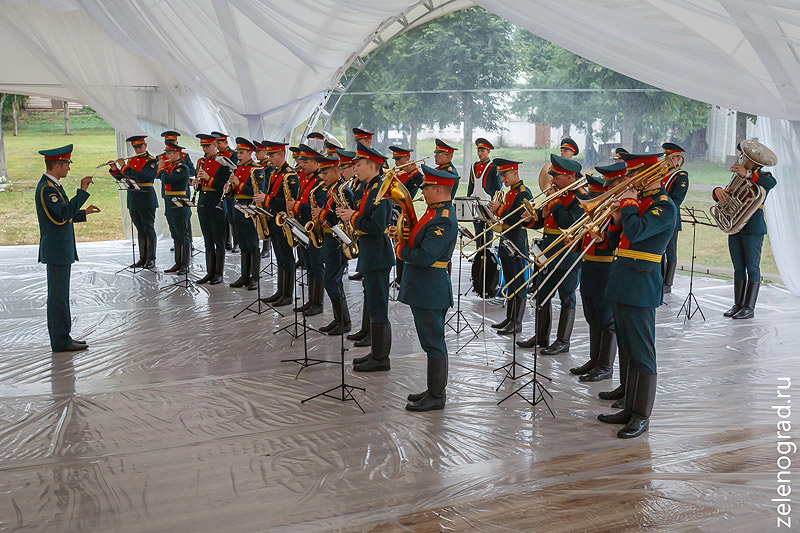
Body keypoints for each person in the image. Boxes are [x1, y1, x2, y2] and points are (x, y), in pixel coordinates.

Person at [598, 151, 677, 439]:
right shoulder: (641, 203)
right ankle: (629, 407)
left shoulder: (663, 207)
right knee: (628, 350)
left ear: (649, 176)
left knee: (643, 353)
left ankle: (642, 415)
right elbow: (618, 241)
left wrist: (628, 205)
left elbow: (637, 231)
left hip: (641, 286)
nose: (628, 179)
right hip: (622, 282)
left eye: (632, 174)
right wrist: (615, 219)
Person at [395, 165, 459, 412]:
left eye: (426, 188)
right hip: (424, 287)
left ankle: (437, 395)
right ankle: (433, 389)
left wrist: (401, 250)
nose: (423, 192)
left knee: (434, 343)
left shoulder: (442, 218)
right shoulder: (434, 212)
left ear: (438, 189)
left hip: (430, 288)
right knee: (430, 342)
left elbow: (426, 256)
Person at [518, 154, 586, 353]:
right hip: (547, 253)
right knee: (542, 295)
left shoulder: (581, 197)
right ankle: (541, 336)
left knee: (567, 297)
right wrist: (530, 219)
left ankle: (563, 341)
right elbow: (543, 221)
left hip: (566, 255)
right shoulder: (558, 193)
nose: (552, 180)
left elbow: (567, 223)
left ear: (569, 177)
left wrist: (555, 202)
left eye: (556, 177)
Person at [35, 144, 100, 352]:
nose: (68, 168)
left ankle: (64, 336)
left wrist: (84, 213)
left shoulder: (52, 186)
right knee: (58, 299)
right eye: (66, 164)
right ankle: (60, 341)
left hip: (59, 250)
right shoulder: (47, 189)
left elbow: (62, 215)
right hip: (57, 251)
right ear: (57, 165)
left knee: (61, 297)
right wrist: (82, 191)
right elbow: (63, 213)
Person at [336, 143, 394, 372]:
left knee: (379, 307)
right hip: (371, 253)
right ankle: (376, 352)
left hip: (378, 254)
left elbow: (376, 226)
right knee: (373, 301)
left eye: (359, 165)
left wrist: (353, 217)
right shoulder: (370, 187)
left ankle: (381, 358)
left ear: (372, 165)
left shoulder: (380, 190)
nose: (355, 169)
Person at [570, 163, 624, 383]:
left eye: (595, 197)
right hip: (589, 267)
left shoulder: (613, 213)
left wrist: (601, 240)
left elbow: (614, 241)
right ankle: (594, 360)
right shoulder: (593, 213)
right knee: (592, 316)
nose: (591, 201)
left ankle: (605, 366)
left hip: (605, 268)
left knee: (606, 318)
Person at [712, 141, 776, 319]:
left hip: (753, 229)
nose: (742, 159)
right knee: (738, 267)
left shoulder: (763, 177)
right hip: (735, 227)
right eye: (742, 156)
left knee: (752, 268)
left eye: (744, 156)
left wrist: (748, 173)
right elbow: (727, 196)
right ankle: (738, 304)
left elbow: (772, 183)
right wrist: (717, 191)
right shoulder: (737, 179)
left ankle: (749, 307)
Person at [487, 158, 533, 335]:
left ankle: (517, 322)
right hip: (507, 238)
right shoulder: (511, 192)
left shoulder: (523, 193)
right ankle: (510, 318)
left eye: (505, 176)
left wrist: (498, 209)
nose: (502, 180)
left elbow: (516, 219)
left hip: (516, 240)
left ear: (515, 173)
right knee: (510, 280)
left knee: (518, 282)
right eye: (501, 176)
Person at [313, 154, 354, 335]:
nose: (323, 177)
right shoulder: (332, 189)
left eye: (326, 173)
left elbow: (341, 218)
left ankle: (344, 321)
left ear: (338, 171)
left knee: (332, 281)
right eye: (322, 173)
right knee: (332, 281)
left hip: (338, 241)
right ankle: (339, 318)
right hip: (330, 240)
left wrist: (321, 214)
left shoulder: (343, 191)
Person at [255, 141, 300, 306]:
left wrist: (266, 199)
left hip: (285, 222)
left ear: (281, 154)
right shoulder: (275, 173)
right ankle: (280, 291)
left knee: (287, 258)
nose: (269, 158)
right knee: (280, 257)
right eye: (268, 155)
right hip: (274, 219)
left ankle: (288, 294)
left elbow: (289, 202)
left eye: (272, 155)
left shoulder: (290, 175)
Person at [108, 135, 158, 269]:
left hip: (146, 198)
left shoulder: (152, 161)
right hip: (133, 199)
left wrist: (123, 166)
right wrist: (115, 169)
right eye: (135, 147)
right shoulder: (132, 161)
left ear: (145, 145)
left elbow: (142, 176)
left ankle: (151, 258)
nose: (138, 149)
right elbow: (124, 178)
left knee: (148, 227)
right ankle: (142, 258)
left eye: (140, 146)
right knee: (140, 229)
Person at [290, 144, 325, 315]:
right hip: (303, 227)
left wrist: (296, 206)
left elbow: (319, 206)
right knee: (309, 266)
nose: (301, 164)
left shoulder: (320, 181)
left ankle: (318, 303)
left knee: (317, 266)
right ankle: (311, 300)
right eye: (301, 161)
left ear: (315, 162)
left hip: (313, 229)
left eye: (305, 162)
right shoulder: (305, 179)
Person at [228, 138, 265, 290]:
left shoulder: (257, 169)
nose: (239, 156)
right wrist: (229, 188)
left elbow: (258, 191)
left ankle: (254, 277)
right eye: (238, 153)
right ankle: (244, 276)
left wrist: (239, 184)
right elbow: (234, 190)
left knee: (252, 243)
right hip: (237, 207)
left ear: (250, 153)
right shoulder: (238, 168)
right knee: (242, 242)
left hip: (250, 209)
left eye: (242, 153)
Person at [193, 133, 231, 284]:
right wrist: (196, 183)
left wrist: (209, 179)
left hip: (216, 202)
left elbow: (225, 186)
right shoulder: (201, 161)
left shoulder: (223, 162)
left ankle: (219, 273)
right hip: (203, 202)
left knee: (219, 239)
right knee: (207, 238)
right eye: (203, 146)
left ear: (215, 145)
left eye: (207, 146)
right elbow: (201, 184)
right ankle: (210, 272)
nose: (205, 149)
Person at [157, 141, 192, 275]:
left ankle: (185, 264)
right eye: (166, 153)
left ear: (177, 153)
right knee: (175, 234)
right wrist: (162, 168)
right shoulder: (171, 166)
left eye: (169, 153)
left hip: (179, 205)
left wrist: (161, 168)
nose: (167, 156)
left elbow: (167, 179)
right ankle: (178, 262)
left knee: (183, 235)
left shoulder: (182, 167)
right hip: (170, 203)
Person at [660, 142, 689, 294]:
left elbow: (676, 200)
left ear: (678, 158)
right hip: (658, 217)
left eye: (671, 157)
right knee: (659, 249)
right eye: (666, 156)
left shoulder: (681, 177)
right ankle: (659, 279)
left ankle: (668, 283)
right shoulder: (661, 174)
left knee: (670, 251)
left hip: (671, 218)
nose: (667, 160)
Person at [466, 138, 501, 252]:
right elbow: (471, 186)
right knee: (478, 230)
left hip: (487, 203)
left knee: (487, 229)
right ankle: (478, 253)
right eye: (478, 151)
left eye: (482, 151)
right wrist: (468, 200)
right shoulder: (474, 166)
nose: (480, 153)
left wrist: (495, 203)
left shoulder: (493, 166)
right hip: (475, 202)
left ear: (488, 151)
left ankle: (487, 253)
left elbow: (498, 186)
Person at [212, 131, 239, 252]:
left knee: (233, 217)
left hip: (231, 187)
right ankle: (227, 241)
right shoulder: (217, 156)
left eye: (219, 143)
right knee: (224, 216)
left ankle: (237, 242)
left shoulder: (233, 154)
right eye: (215, 143)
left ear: (225, 142)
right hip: (220, 188)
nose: (217, 146)